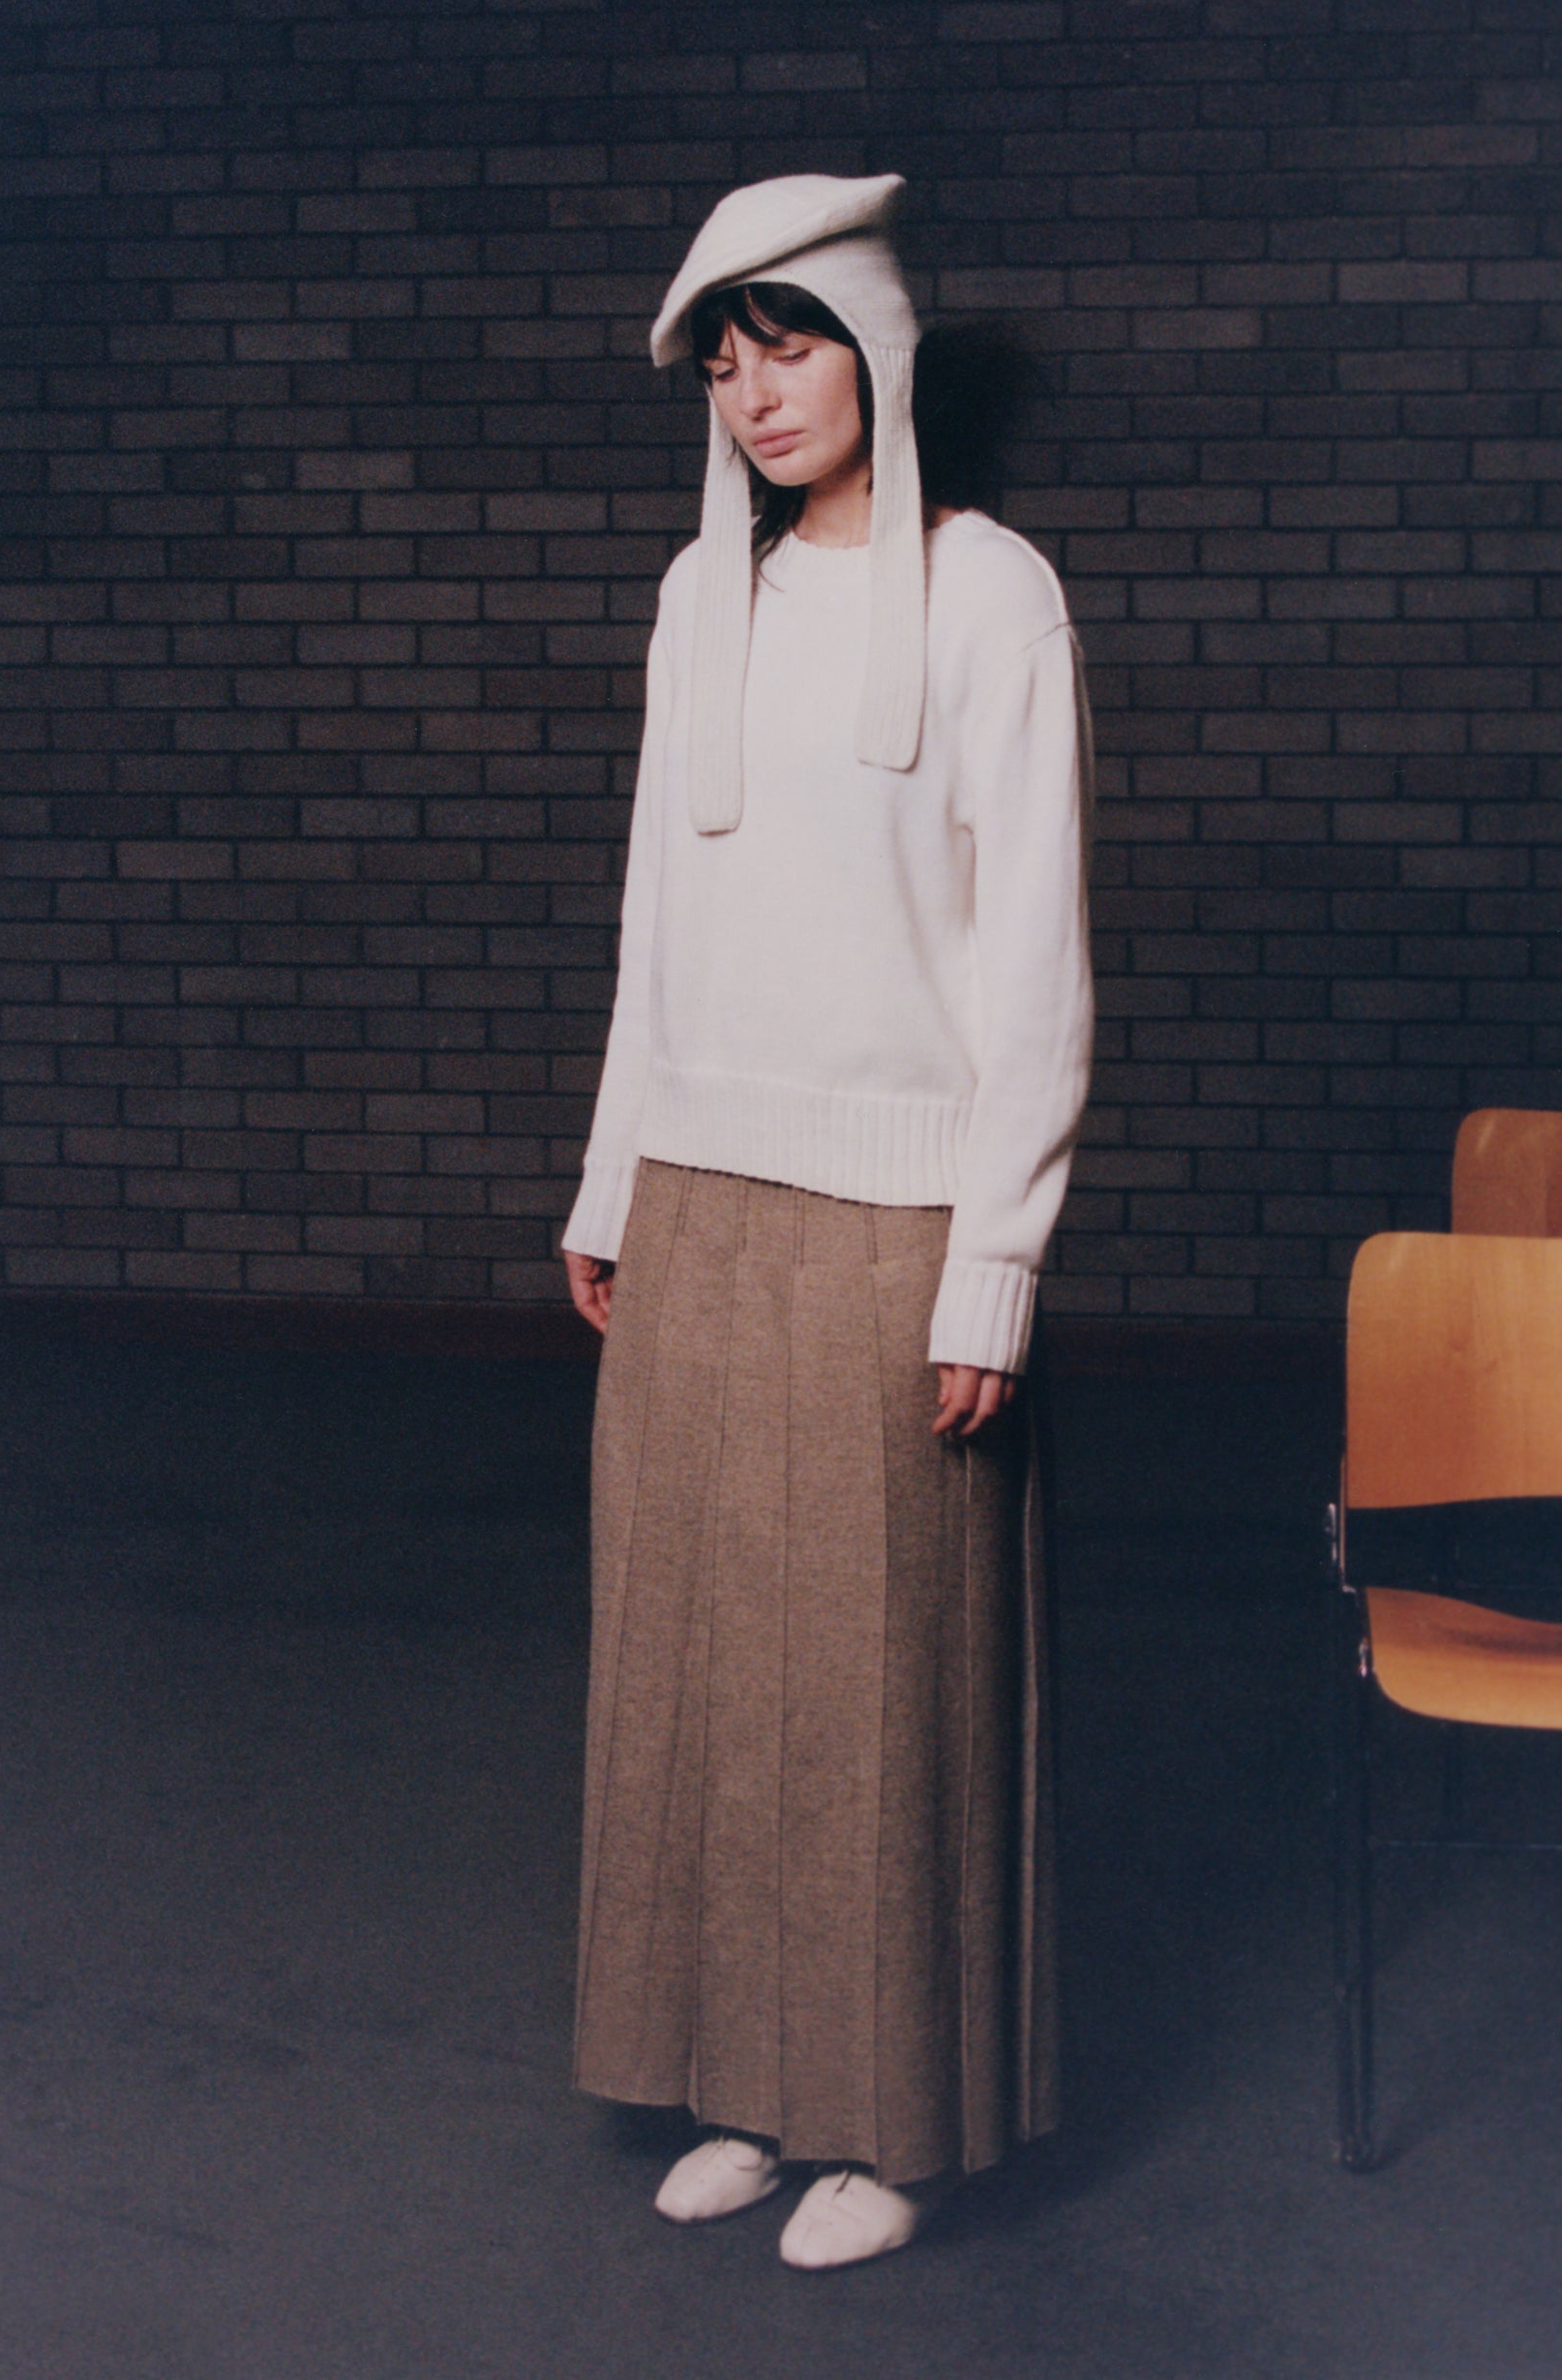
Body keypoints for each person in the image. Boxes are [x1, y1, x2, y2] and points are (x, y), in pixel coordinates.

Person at [560, 172, 1094, 2272]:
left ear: (872, 346)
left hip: (899, 1207)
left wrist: (998, 1257)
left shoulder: (993, 594)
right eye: (725, 356)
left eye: (789, 344)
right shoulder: (712, 599)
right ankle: (749, 2084)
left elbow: (1037, 963)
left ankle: (907, 2116)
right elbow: (655, 920)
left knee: (886, 1683)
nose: (756, 391)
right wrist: (614, 1174)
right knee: (705, 1661)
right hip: (702, 1194)